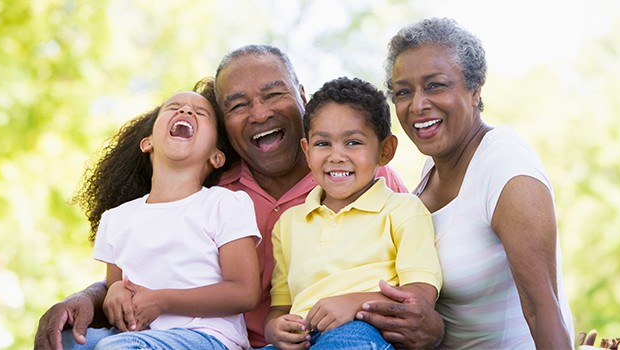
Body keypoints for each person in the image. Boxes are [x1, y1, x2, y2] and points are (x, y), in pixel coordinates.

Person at [34, 45, 409, 350]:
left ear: (302, 96)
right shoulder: (213, 192)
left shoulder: (365, 179)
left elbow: (420, 271)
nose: (259, 112)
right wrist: (89, 297)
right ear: (224, 130)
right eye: (237, 105)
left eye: (274, 93)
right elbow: (140, 271)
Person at [354, 17, 576, 349]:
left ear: (475, 89)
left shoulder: (505, 165)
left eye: (435, 85)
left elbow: (542, 309)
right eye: (403, 92)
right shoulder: (431, 171)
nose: (417, 105)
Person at [79, 79, 262, 350]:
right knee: (67, 341)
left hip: (207, 336)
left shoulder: (224, 204)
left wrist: (162, 300)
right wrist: (114, 294)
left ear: (216, 156)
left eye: (201, 113)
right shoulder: (115, 218)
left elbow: (244, 292)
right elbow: (115, 287)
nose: (186, 111)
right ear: (147, 142)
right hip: (136, 337)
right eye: (174, 107)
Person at [260, 77, 441, 350]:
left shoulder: (404, 210)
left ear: (385, 150)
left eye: (353, 142)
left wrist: (354, 302)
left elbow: (420, 297)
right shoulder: (288, 224)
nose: (336, 156)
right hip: (305, 336)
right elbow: (281, 307)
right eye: (323, 144)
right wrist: (275, 329)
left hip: (365, 330)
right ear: (307, 152)